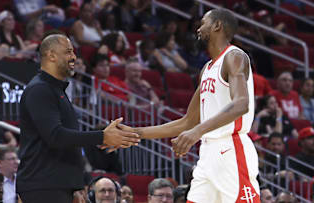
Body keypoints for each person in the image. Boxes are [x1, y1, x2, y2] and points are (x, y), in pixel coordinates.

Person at [118, 9, 261, 202]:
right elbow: (187, 122)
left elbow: (241, 104)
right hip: (208, 153)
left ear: (217, 25)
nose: (199, 29)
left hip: (231, 149)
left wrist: (197, 132)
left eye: (204, 23)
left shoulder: (234, 57)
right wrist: (136, 133)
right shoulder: (207, 69)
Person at [16, 34, 140, 203]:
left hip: (58, 185)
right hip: (43, 186)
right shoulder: (40, 89)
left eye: (73, 52)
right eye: (68, 52)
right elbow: (55, 136)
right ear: (51, 55)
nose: (74, 57)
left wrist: (75, 185)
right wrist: (102, 136)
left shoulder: (56, 90)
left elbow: (67, 146)